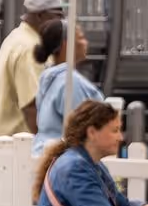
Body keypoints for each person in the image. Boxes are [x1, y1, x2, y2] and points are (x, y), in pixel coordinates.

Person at [0, 0, 66, 147]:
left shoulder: (17, 37)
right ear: (40, 15)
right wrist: (49, 148)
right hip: (15, 148)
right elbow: (31, 106)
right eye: (58, 16)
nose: (62, 22)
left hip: (4, 143)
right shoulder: (29, 48)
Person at [32, 23, 103, 155]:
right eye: (81, 38)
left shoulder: (49, 79)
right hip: (64, 160)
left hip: (43, 155)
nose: (85, 43)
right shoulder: (71, 83)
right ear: (67, 44)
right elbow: (83, 130)